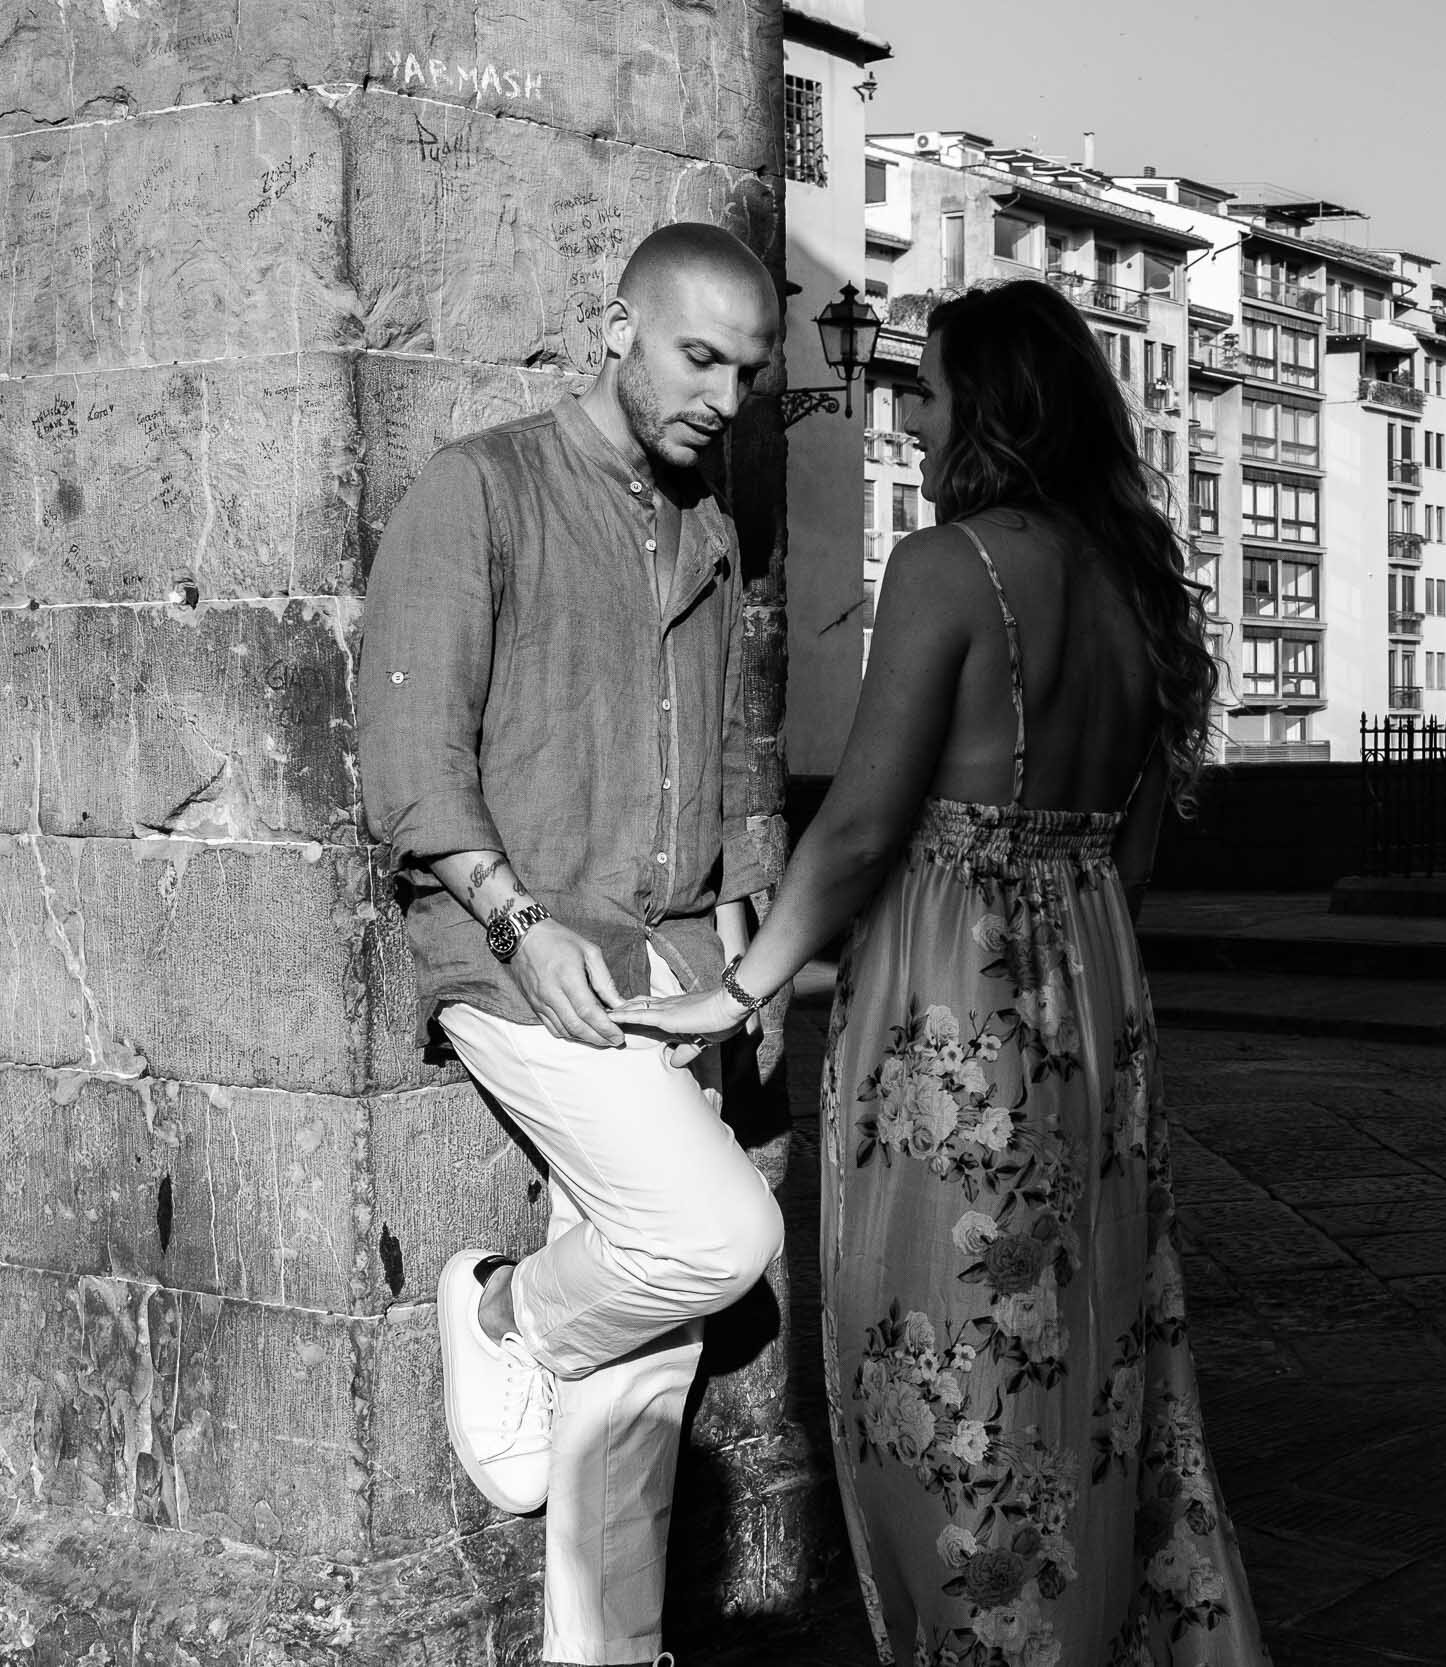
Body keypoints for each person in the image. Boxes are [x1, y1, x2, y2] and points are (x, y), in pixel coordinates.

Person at [617, 279, 1268, 1666]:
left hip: (953, 997)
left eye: (928, 388)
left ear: (992, 404)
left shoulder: (952, 567)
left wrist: (741, 990)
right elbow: (1133, 857)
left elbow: (859, 822)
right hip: (1093, 986)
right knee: (1093, 1352)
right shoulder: (1136, 586)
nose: (907, 411)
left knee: (941, 1352)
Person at [356, 222, 786, 1667]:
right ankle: (499, 1314)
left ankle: (607, 1653)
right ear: (614, 325)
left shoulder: (714, 534)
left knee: (648, 1365)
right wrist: (520, 922)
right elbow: (410, 761)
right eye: (697, 356)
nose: (724, 398)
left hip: (667, 967)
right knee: (716, 1239)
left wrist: (742, 947)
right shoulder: (478, 491)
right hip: (516, 957)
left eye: (748, 371)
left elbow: (729, 755)